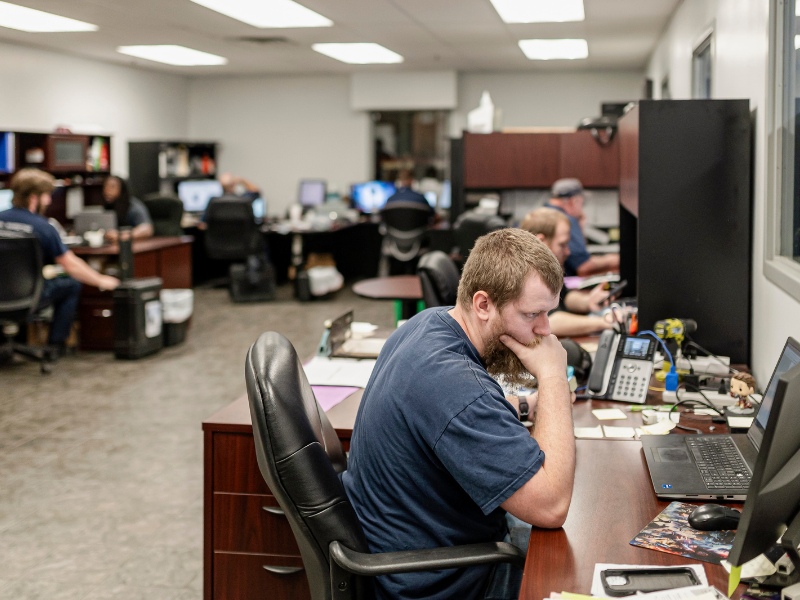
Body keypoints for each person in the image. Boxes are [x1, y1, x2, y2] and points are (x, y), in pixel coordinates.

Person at [342, 228, 576, 599]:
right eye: (532, 314)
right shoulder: (455, 386)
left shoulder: (428, 323)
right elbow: (552, 506)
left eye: (548, 313)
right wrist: (552, 377)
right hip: (446, 582)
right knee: (581, 567)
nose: (545, 331)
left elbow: (454, 418)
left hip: (413, 545)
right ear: (483, 304)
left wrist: (530, 404)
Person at [0, 169, 120, 355]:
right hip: (28, 297)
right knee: (71, 285)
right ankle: (54, 346)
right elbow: (69, 264)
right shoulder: (44, 227)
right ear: (34, 198)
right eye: (47, 196)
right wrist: (99, 280)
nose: (48, 201)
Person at [520, 207, 615, 337]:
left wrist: (588, 301)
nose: (567, 252)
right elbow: (549, 321)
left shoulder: (546, 269)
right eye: (562, 245)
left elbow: (564, 297)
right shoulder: (527, 275)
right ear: (541, 241)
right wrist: (605, 321)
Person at [545, 178, 619, 277]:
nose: (582, 209)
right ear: (573, 202)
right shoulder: (566, 220)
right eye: (581, 203)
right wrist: (614, 260)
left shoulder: (542, 213)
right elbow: (583, 267)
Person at [102, 175, 153, 241]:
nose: (107, 190)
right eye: (105, 186)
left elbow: (147, 229)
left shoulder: (133, 206)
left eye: (112, 187)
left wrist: (122, 235)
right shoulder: (108, 206)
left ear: (122, 189)